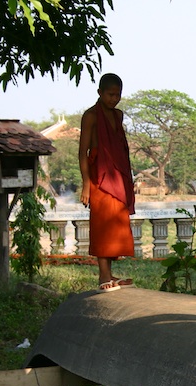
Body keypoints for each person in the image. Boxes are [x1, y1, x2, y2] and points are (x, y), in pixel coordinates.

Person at [79, 72, 136, 292]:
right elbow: (83, 152)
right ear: (99, 92)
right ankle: (103, 274)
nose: (114, 99)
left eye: (118, 95)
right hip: (99, 178)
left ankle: (110, 273)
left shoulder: (118, 115)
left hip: (117, 177)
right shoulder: (91, 116)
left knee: (116, 224)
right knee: (102, 224)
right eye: (110, 94)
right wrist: (86, 184)